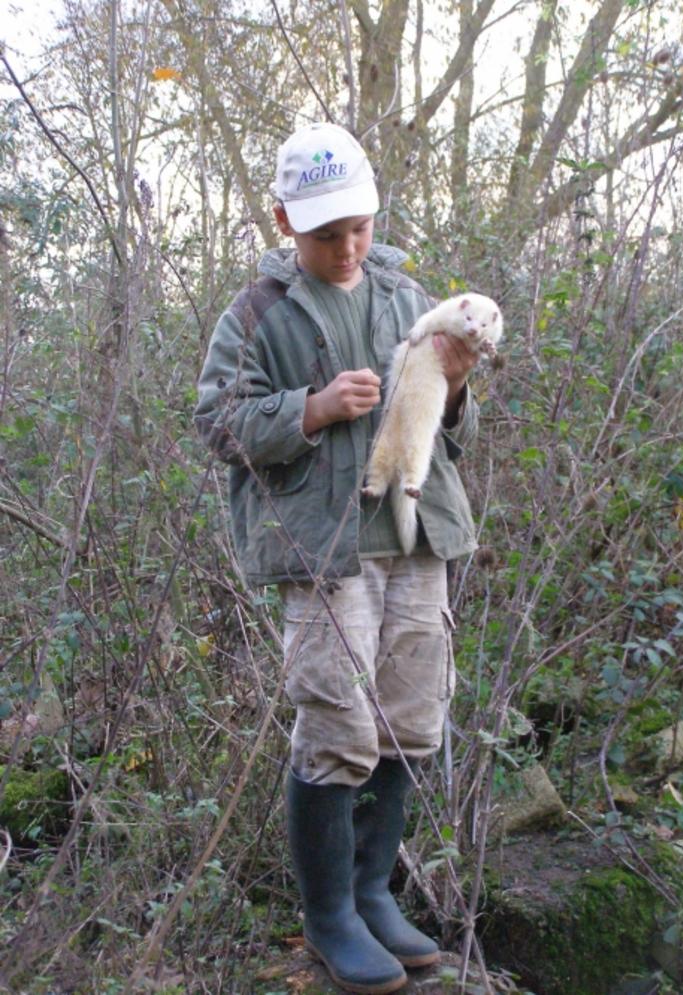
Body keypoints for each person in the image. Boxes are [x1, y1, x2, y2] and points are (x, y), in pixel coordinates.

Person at [194, 122, 480, 994]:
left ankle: (370, 896)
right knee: (336, 727)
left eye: (358, 224)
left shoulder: (407, 297)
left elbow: (448, 429)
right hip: (323, 550)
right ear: (285, 220)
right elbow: (215, 424)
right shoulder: (257, 314)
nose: (348, 245)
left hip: (412, 532)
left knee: (409, 715)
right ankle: (328, 920)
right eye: (326, 232)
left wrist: (455, 382)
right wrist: (311, 409)